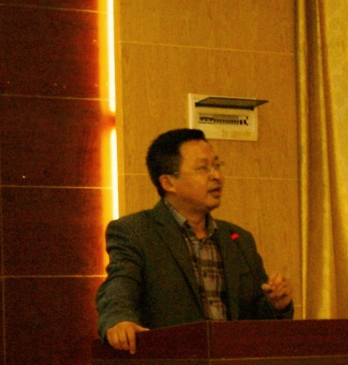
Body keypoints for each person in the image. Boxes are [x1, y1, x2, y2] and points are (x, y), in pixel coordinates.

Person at [95, 128, 293, 354]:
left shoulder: (239, 239)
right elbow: (119, 286)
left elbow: (258, 319)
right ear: (168, 183)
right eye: (203, 168)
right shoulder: (136, 232)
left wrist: (277, 305)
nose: (216, 176)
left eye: (217, 165)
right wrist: (119, 320)